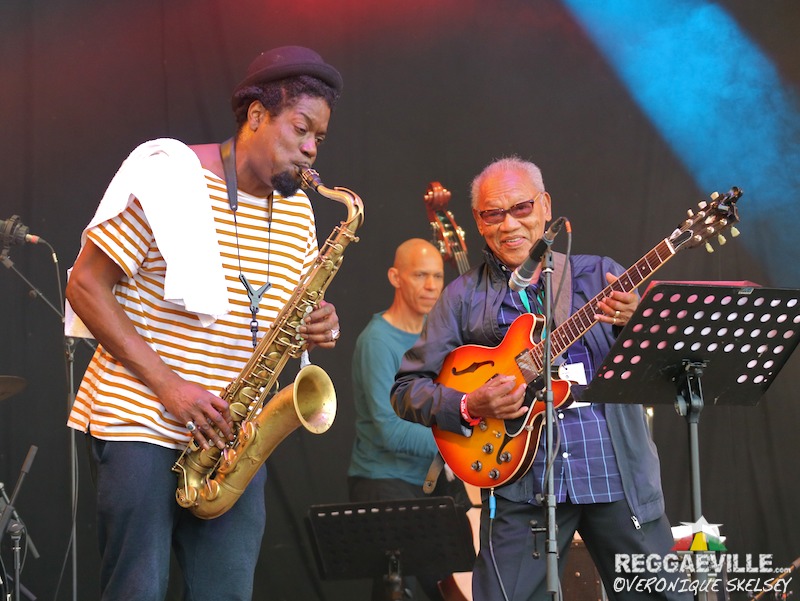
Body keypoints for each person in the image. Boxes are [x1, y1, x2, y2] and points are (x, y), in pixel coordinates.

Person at [64, 46, 345, 600]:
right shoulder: (170, 175)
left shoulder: (299, 212)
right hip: (141, 422)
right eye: (301, 129)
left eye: (319, 138)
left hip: (230, 442)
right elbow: (84, 286)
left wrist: (321, 326)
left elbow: (283, 315)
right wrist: (171, 386)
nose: (311, 149)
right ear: (257, 116)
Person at [391, 157, 690, 600]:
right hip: (521, 485)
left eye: (522, 209)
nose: (509, 224)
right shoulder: (461, 297)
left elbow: (664, 377)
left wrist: (635, 326)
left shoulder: (597, 274)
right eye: (494, 213)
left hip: (615, 476)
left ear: (546, 206)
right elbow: (406, 390)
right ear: (478, 221)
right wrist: (471, 405)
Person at [348, 238, 470, 601]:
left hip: (433, 483)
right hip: (384, 481)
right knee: (398, 589)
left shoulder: (442, 336)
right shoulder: (377, 341)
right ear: (395, 277)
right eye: (420, 275)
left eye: (437, 276)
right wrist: (461, 440)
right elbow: (389, 430)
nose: (432, 286)